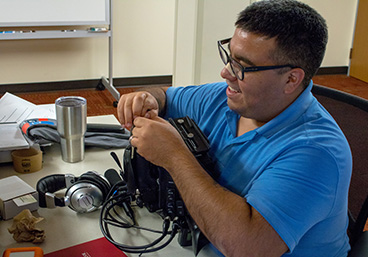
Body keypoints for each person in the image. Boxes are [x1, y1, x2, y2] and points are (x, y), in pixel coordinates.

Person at [117, 0, 352, 256]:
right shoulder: (225, 98)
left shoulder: (316, 152)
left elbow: (246, 247)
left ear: (291, 79)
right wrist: (146, 98)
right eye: (229, 56)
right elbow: (166, 98)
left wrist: (174, 155)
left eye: (243, 66)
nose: (225, 72)